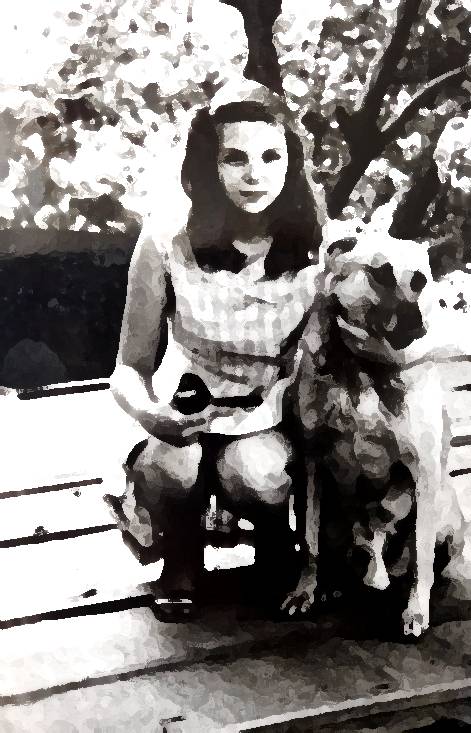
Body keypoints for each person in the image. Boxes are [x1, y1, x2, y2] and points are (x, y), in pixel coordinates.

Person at [106, 81, 325, 621]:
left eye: (271, 157)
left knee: (253, 473)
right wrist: (150, 415)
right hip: (187, 404)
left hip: (268, 416)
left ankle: (275, 542)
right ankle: (182, 554)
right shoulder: (167, 238)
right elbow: (128, 368)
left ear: (292, 163)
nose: (255, 175)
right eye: (235, 158)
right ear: (210, 164)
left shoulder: (319, 245)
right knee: (172, 468)